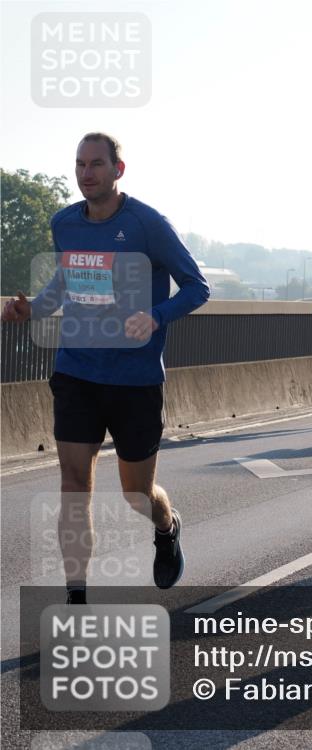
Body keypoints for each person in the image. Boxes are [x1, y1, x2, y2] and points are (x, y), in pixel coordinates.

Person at [1, 132, 210, 604]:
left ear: (119, 169)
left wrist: (156, 316)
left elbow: (197, 287)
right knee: (74, 486)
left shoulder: (148, 224)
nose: (86, 173)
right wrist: (31, 309)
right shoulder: (64, 224)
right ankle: (77, 597)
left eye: (96, 164)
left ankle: (166, 526)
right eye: (80, 164)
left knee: (137, 494)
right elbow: (64, 285)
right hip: (77, 371)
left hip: (135, 380)